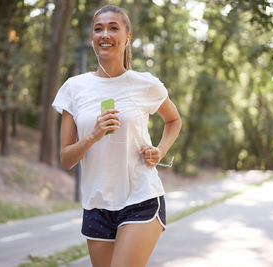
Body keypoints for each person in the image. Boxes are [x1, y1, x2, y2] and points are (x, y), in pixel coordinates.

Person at [52, 5, 181, 267]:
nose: (105, 34)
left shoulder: (145, 84)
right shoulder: (74, 88)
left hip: (140, 197)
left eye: (113, 27)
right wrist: (92, 135)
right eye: (98, 29)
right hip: (97, 205)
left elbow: (174, 120)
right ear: (92, 38)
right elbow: (66, 160)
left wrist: (161, 151)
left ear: (127, 37)